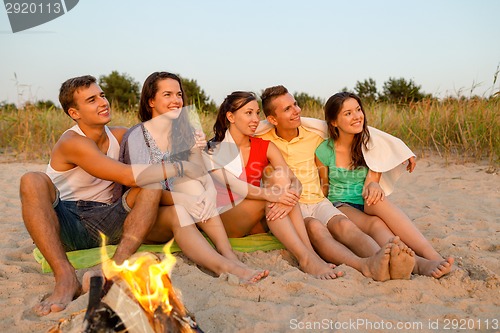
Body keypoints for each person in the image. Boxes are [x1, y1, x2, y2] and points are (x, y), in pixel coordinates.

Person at [19, 75, 207, 316]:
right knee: (31, 179)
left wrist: (192, 145)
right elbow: (129, 176)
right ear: (75, 113)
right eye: (91, 100)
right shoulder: (72, 141)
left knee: (150, 183)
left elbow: (155, 146)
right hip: (68, 222)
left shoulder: (120, 135)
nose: (102, 102)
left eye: (102, 95)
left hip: (110, 220)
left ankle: (116, 268)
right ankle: (65, 277)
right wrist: (181, 167)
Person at [116, 72, 268, 283]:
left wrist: (209, 191)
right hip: (145, 215)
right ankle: (223, 265)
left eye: (178, 94)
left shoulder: (184, 131)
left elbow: (198, 172)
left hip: (187, 207)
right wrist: (186, 199)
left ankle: (228, 253)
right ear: (151, 101)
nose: (176, 100)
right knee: (181, 200)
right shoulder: (138, 136)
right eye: (167, 94)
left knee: (195, 186)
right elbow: (147, 190)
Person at [258, 85, 420, 281]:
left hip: (319, 201)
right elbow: (238, 134)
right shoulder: (262, 138)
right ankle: (363, 265)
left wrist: (402, 149)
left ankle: (385, 260)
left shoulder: (315, 135)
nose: (297, 110)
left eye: (295, 104)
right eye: (288, 109)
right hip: (292, 205)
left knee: (345, 225)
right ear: (272, 120)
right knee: (316, 229)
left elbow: (362, 130)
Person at [204, 91, 343, 280]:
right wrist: (275, 195)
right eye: (248, 113)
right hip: (226, 218)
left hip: (258, 220)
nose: (255, 119)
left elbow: (293, 179)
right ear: (230, 116)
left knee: (282, 179)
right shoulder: (214, 150)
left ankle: (310, 255)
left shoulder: (265, 146)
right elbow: (237, 187)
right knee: (275, 193)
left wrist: (292, 191)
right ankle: (306, 258)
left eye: (256, 113)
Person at [316, 91, 454, 278]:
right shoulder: (324, 151)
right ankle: (419, 264)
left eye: (358, 110)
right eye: (347, 113)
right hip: (341, 203)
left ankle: (432, 255)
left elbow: (374, 175)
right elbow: (323, 187)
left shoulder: (371, 143)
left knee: (377, 202)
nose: (357, 116)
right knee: (375, 223)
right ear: (333, 122)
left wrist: (374, 185)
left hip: (367, 199)